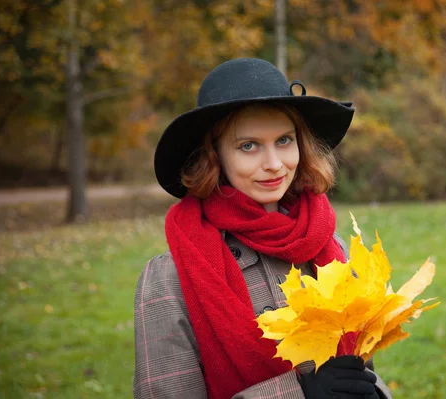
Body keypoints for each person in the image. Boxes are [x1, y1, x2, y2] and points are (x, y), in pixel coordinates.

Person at [133, 58, 392, 399]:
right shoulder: (170, 278)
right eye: (248, 146)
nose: (273, 165)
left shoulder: (331, 249)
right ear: (215, 156)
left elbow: (361, 372)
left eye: (284, 140)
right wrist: (299, 394)